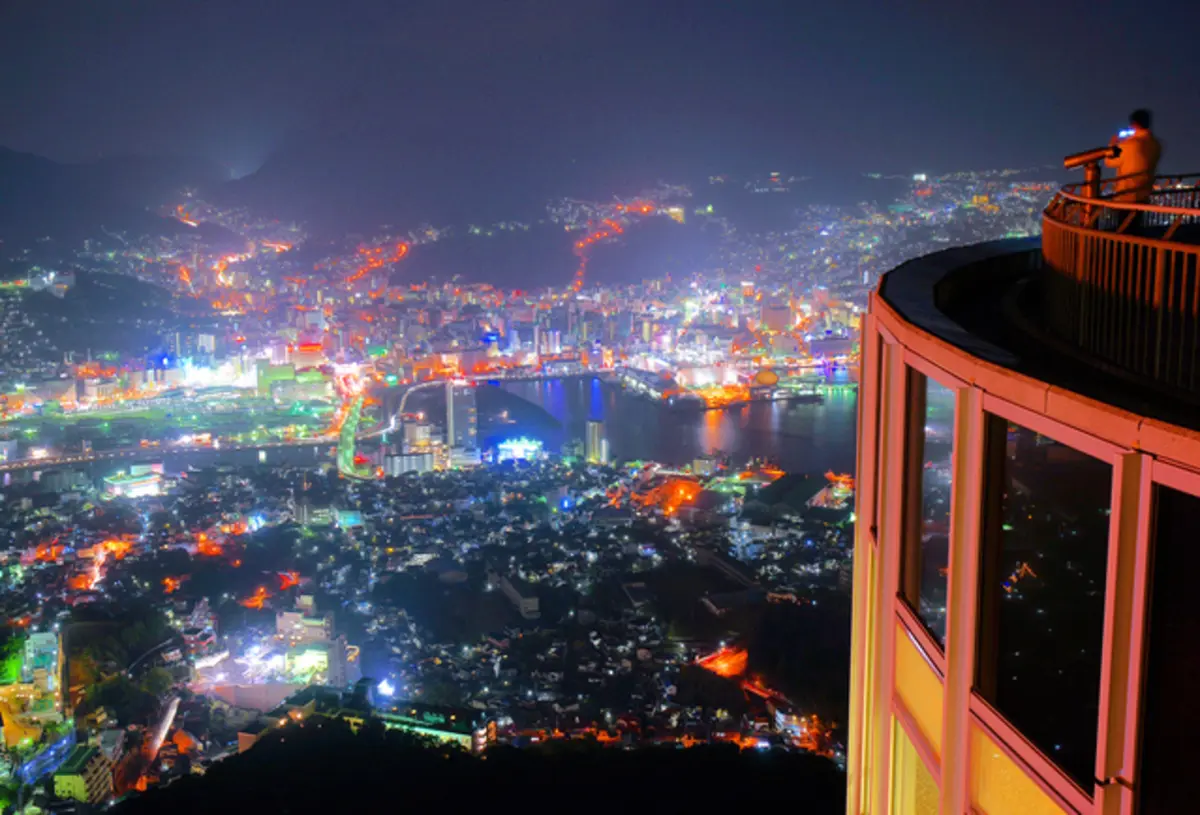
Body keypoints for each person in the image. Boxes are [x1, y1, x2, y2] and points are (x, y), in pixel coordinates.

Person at [1106, 108, 1162, 204]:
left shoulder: (1129, 145)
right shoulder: (1156, 144)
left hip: (1126, 195)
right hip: (1145, 194)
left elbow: (1110, 162)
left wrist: (1112, 145)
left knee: (1125, 218)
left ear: (1134, 124)